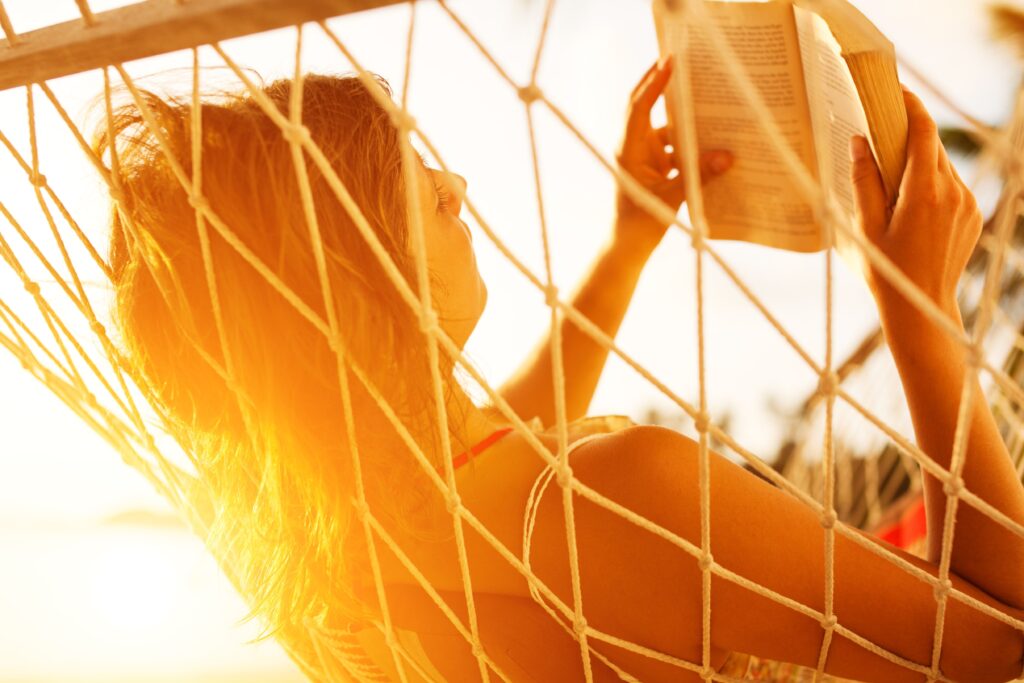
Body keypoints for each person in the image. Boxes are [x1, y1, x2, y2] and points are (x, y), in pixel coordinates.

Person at [100, 55, 1024, 682]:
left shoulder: (338, 543)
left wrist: (626, 251)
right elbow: (999, 639)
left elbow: (512, 445)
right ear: (355, 286)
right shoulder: (627, 494)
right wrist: (920, 312)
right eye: (412, 182)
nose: (453, 184)